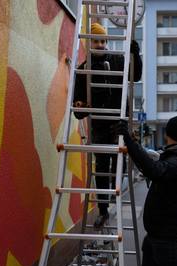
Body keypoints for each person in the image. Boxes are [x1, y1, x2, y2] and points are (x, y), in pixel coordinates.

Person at [116, 116, 177, 266]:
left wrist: (129, 140)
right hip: (158, 234)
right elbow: (153, 166)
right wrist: (135, 145)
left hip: (167, 237)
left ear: (168, 133)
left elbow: (156, 171)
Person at [73, 23, 142, 228]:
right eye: (96, 41)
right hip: (100, 125)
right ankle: (104, 210)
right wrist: (82, 105)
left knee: (117, 163)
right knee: (102, 167)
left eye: (103, 41)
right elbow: (78, 110)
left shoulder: (118, 60)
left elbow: (135, 76)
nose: (101, 45)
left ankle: (114, 200)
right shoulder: (84, 69)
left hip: (119, 122)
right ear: (89, 43)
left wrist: (134, 52)